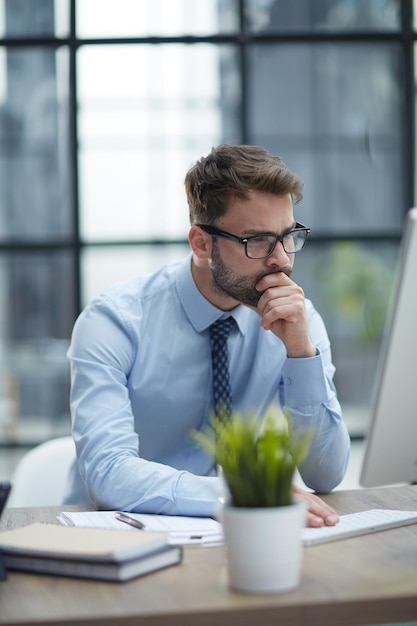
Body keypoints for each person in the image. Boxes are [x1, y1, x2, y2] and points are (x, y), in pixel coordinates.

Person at [64, 144, 350, 528]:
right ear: (201, 243)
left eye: (288, 236)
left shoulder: (298, 321)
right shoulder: (114, 321)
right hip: (112, 541)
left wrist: (301, 354)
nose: (281, 259)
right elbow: (108, 472)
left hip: (238, 540)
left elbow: (326, 475)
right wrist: (241, 495)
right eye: (258, 241)